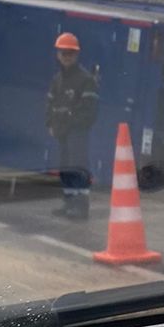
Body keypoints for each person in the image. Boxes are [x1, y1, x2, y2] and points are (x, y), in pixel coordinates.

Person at [45, 32, 99, 221]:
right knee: (65, 168)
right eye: (63, 53)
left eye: (70, 53)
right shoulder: (57, 79)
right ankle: (68, 203)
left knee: (77, 167)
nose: (67, 56)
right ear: (58, 54)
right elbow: (49, 104)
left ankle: (81, 208)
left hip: (77, 132)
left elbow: (89, 111)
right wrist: (50, 124)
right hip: (62, 132)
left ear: (76, 55)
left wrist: (72, 124)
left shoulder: (86, 80)